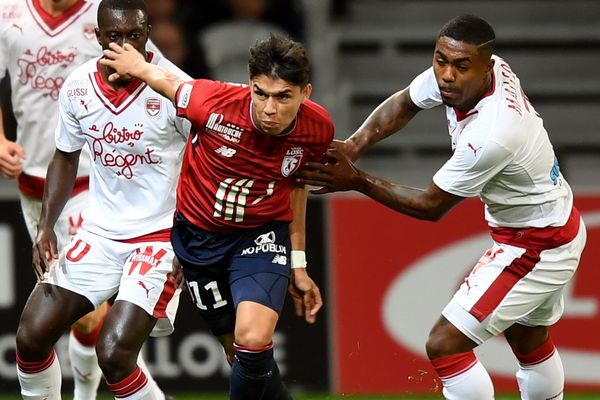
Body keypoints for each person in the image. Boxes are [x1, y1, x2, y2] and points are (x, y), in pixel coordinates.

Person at [297, 14, 587, 400]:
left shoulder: (493, 133)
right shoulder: (482, 72)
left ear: (486, 67)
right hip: (553, 225)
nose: (446, 75)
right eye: (440, 60)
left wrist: (357, 180)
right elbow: (405, 102)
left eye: (460, 66)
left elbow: (431, 205)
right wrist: (352, 146)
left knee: (444, 344)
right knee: (527, 336)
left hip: (537, 244)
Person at [100, 32, 332, 399]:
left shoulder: (318, 129)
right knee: (240, 355)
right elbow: (169, 83)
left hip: (259, 236)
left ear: (306, 92)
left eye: (283, 96)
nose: (269, 108)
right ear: (250, 85)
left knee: (253, 341)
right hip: (197, 241)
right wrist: (139, 66)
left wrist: (297, 262)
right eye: (261, 93)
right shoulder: (215, 102)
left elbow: (296, 185)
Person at [15, 0, 189, 398]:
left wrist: (189, 236)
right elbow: (65, 154)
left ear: (148, 37)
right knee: (30, 335)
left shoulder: (174, 87)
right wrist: (46, 226)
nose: (124, 46)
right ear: (98, 38)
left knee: (113, 353)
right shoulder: (78, 86)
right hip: (100, 234)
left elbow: (203, 162)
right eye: (114, 36)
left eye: (134, 36)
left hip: (158, 239)